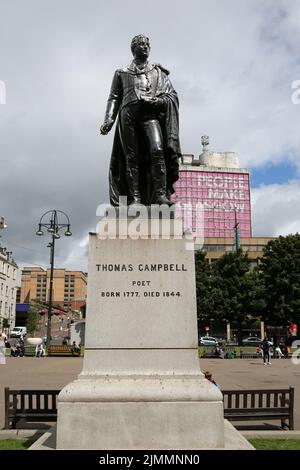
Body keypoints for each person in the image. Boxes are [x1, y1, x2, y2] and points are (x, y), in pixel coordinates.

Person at [100, 34, 181, 207]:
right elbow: (114, 97)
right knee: (131, 157)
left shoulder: (158, 73)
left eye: (146, 44)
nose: (144, 47)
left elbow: (171, 95)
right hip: (127, 115)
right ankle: (135, 198)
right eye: (140, 44)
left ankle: (160, 195)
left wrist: (157, 101)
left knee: (157, 150)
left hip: (149, 116)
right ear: (133, 49)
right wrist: (109, 119)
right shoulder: (121, 73)